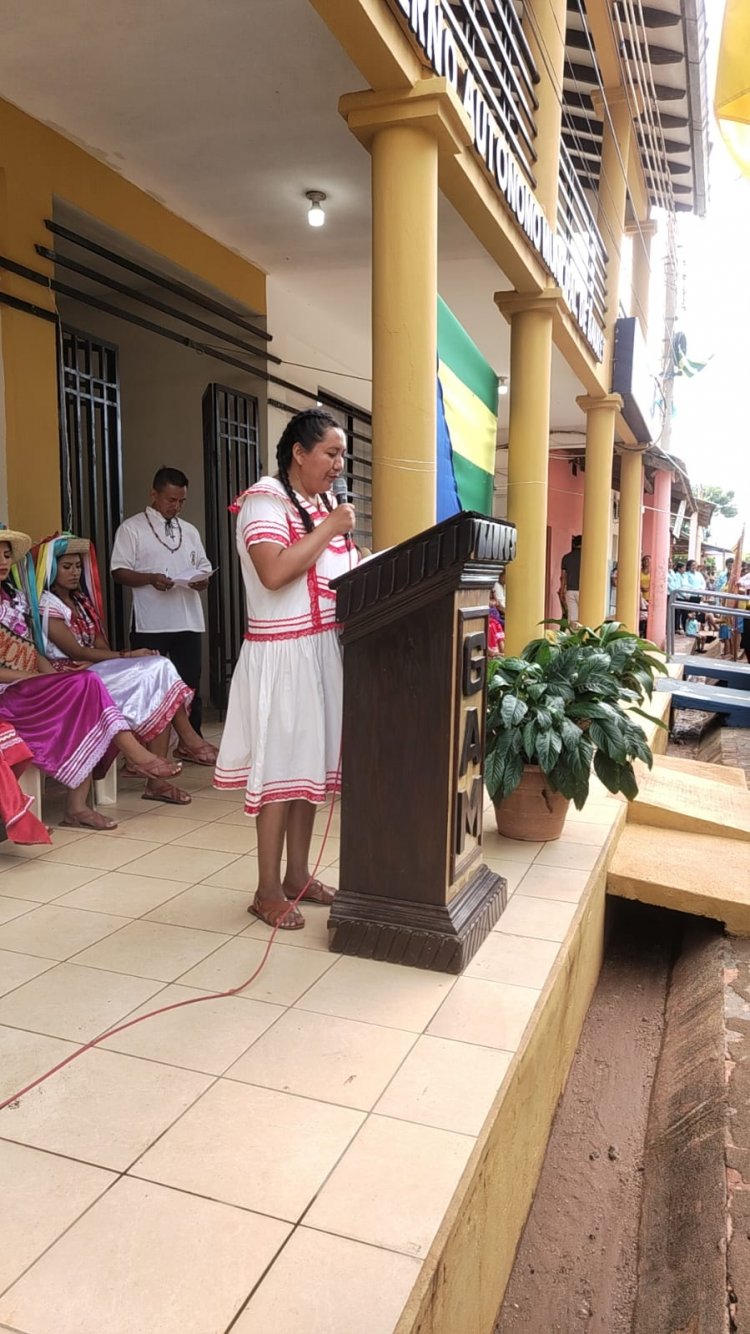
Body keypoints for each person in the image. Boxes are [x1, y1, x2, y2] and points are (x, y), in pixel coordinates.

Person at [214, 409, 356, 931]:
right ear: (299, 453)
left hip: (321, 651)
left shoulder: (319, 504)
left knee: (308, 770)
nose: (338, 465)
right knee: (278, 773)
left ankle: (297, 876)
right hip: (281, 655)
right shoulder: (263, 501)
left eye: (342, 455)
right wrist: (333, 527)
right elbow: (274, 572)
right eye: (331, 453)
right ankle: (266, 889)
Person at [0, 528, 182, 830]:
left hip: (28, 688)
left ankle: (78, 807)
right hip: (8, 695)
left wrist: (49, 681)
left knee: (83, 688)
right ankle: (135, 757)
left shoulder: (15, 599)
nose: (3, 561)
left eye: (7, 555)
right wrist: (31, 678)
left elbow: (35, 653)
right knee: (86, 685)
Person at [36, 533, 218, 806]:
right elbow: (76, 651)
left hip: (92, 668)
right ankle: (185, 740)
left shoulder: (82, 602)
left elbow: (98, 644)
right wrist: (127, 655)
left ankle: (167, 765)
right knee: (158, 673)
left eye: (77, 566)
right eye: (66, 567)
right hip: (68, 676)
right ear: (51, 569)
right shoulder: (47, 604)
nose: (75, 572)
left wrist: (114, 659)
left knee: (159, 669)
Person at [111, 466, 213, 742]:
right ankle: (145, 743)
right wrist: (150, 578)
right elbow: (118, 571)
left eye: (181, 501)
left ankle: (191, 740)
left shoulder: (189, 530)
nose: (176, 507)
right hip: (151, 620)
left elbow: (203, 565)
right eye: (171, 500)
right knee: (149, 684)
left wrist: (201, 580)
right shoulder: (131, 528)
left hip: (188, 617)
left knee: (189, 681)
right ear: (154, 494)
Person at [559, 535, 582, 625]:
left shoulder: (566, 557)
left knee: (572, 619)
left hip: (570, 590)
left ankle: (572, 637)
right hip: (583, 592)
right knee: (585, 617)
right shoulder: (587, 557)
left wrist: (562, 591)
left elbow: (563, 576)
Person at [639, 554, 651, 637]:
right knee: (641, 615)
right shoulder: (639, 571)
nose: (647, 562)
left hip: (649, 596)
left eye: (649, 560)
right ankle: (640, 631)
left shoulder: (652, 572)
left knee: (648, 616)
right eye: (645, 560)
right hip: (640, 596)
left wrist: (649, 588)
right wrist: (641, 587)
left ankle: (647, 633)